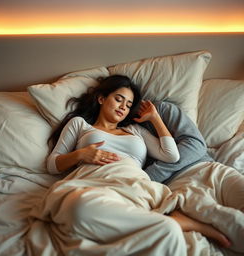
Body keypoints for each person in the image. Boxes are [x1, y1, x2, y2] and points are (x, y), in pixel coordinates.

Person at [34, 75, 230, 255]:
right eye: (119, 99)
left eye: (128, 105)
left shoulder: (135, 130)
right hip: (92, 183)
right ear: (102, 98)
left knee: (82, 211)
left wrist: (155, 118)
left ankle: (169, 224)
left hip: (132, 184)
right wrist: (81, 154)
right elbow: (52, 164)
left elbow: (171, 155)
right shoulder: (80, 125)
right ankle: (171, 223)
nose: (123, 107)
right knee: (78, 206)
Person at [142, 99, 244, 254]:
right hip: (181, 185)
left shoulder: (161, 109)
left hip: (213, 170)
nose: (123, 106)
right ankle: (191, 224)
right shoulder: (123, 135)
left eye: (126, 100)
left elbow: (196, 144)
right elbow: (135, 176)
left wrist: (154, 173)